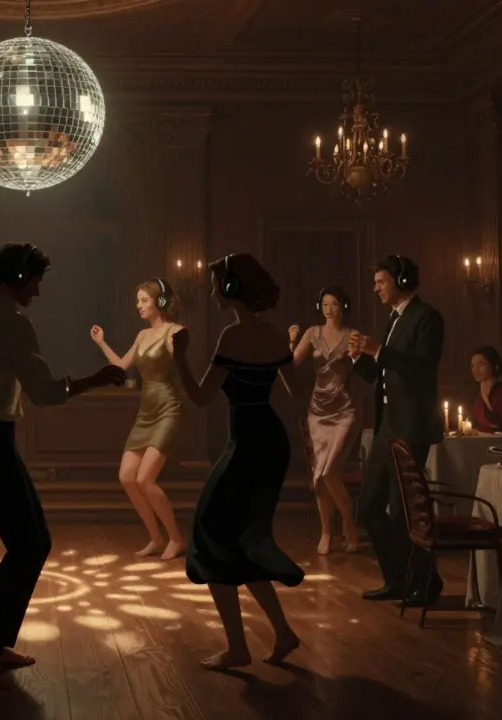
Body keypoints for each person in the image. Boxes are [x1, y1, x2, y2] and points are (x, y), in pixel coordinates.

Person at [0, 242, 125, 688]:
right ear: (22, 277)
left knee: (33, 541)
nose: (39, 293)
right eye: (37, 282)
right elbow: (45, 392)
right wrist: (97, 379)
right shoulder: (12, 321)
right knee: (30, 544)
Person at [172, 253, 303, 671]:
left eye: (217, 285)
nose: (213, 292)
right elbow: (297, 391)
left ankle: (238, 647)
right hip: (270, 440)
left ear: (232, 289)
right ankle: (281, 633)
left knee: (210, 535)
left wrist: (179, 356)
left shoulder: (231, 335)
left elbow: (199, 397)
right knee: (242, 540)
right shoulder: (276, 334)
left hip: (246, 443)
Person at [348, 255, 445, 606]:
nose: (376, 289)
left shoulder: (427, 318)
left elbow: (422, 369)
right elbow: (380, 374)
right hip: (387, 425)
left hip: (413, 426)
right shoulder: (393, 319)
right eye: (375, 283)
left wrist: (380, 351)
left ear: (402, 280)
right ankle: (401, 579)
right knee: (370, 506)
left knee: (404, 510)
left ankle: (422, 582)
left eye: (381, 282)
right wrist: (360, 358)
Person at [89, 278, 186, 560]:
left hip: (168, 408)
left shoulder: (175, 332)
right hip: (146, 412)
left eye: (144, 300)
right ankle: (156, 538)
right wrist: (101, 342)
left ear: (161, 302)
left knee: (145, 479)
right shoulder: (142, 336)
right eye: (138, 301)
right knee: (127, 477)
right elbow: (120, 366)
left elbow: (184, 368)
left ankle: (176, 539)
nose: (139, 306)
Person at [289, 286, 361, 556]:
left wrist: (359, 353)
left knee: (330, 470)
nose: (330, 309)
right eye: (325, 304)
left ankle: (350, 525)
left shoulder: (352, 335)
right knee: (320, 476)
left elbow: (365, 368)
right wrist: (291, 342)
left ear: (344, 306)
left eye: (335, 304)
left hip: (345, 410)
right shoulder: (312, 333)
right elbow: (291, 366)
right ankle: (327, 531)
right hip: (317, 411)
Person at [469, 345, 502, 435]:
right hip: (478, 440)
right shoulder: (475, 392)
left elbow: (497, 424)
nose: (475, 370)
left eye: (481, 365)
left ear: (493, 365)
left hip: (500, 443)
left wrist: (485, 397)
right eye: (473, 366)